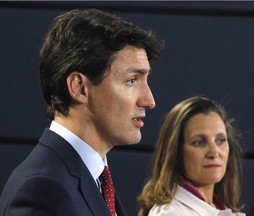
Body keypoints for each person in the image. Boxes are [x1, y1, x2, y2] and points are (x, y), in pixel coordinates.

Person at [0, 8, 163, 216]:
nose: (149, 101)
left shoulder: (93, 178)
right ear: (79, 88)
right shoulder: (42, 189)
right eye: (131, 81)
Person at [138, 96, 245, 216]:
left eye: (220, 140)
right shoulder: (171, 213)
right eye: (199, 142)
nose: (214, 153)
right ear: (175, 152)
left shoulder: (221, 209)